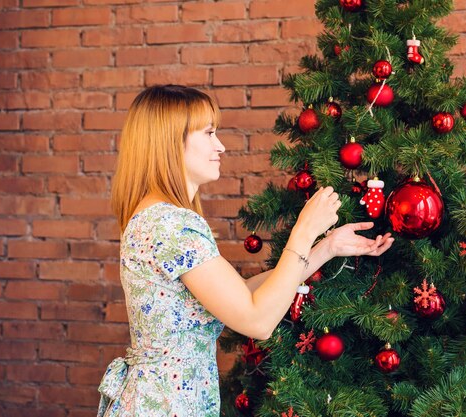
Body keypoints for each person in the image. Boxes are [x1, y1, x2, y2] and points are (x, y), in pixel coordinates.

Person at [97, 85, 394, 417]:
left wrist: (326, 247)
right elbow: (258, 320)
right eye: (209, 133)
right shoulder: (173, 225)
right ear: (171, 141)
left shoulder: (158, 217)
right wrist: (304, 229)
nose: (220, 145)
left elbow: (240, 295)